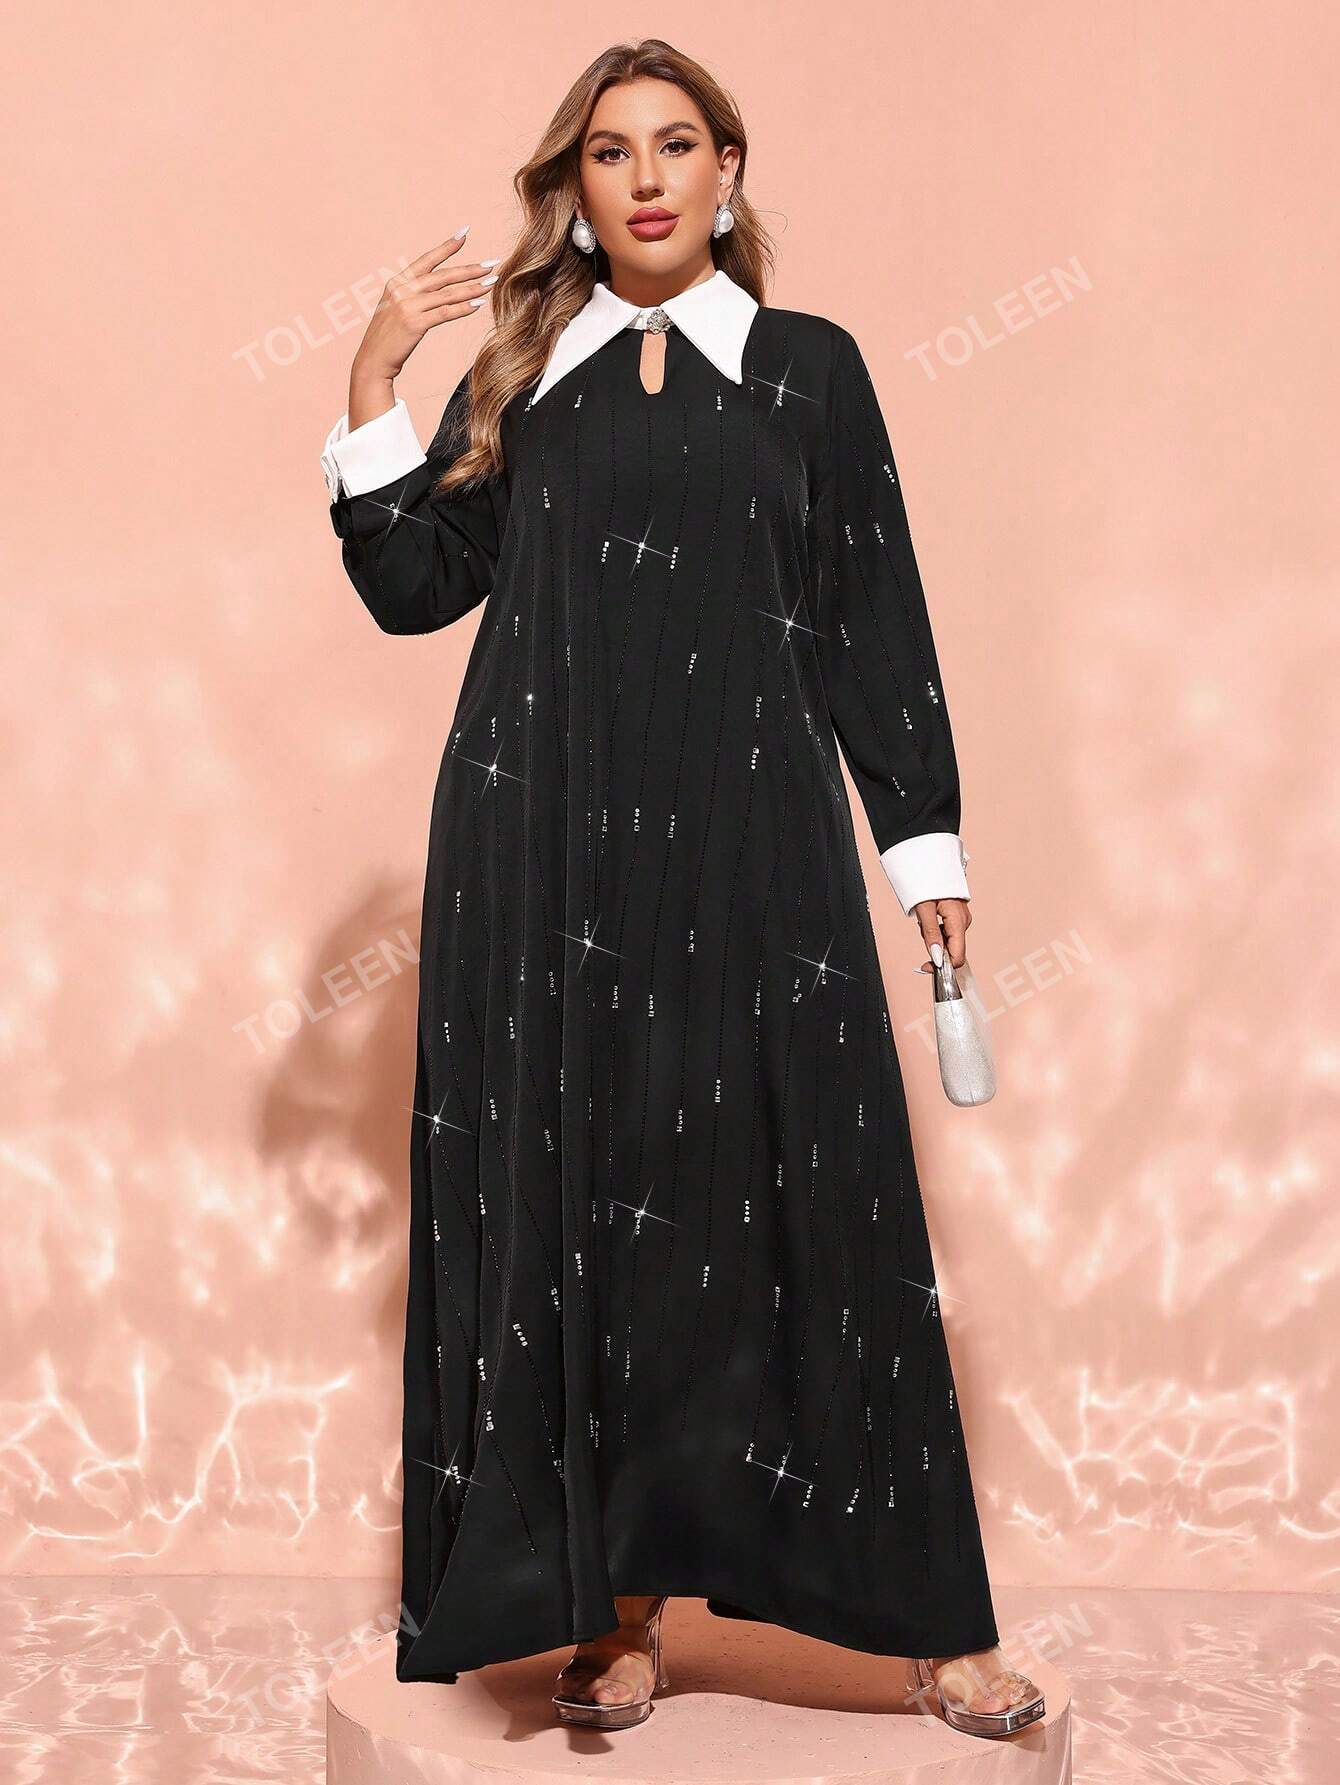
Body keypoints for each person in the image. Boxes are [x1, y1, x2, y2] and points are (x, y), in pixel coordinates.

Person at [320, 37, 1044, 1742]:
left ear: (728, 169)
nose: (643, 177)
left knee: (827, 1201)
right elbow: (415, 586)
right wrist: (373, 378)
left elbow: (871, 606)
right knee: (593, 1203)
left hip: (758, 842)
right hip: (541, 848)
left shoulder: (809, 371)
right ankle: (620, 1609)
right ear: (575, 191)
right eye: (608, 152)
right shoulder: (531, 375)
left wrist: (922, 845)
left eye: (675, 144)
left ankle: (936, 1630)